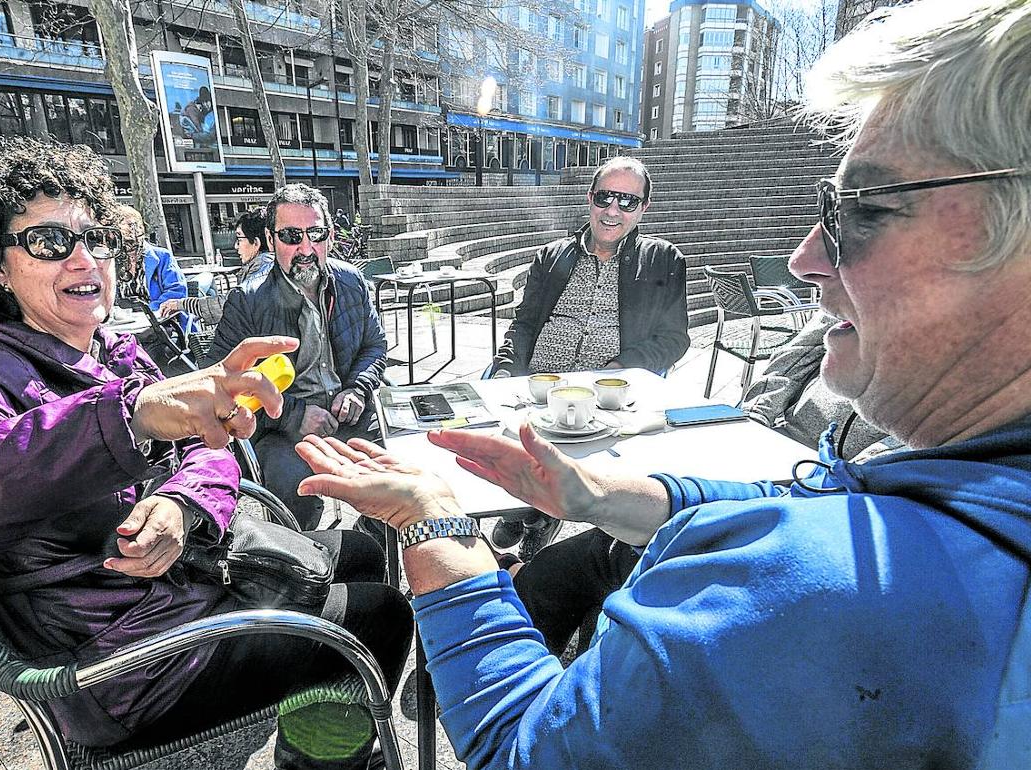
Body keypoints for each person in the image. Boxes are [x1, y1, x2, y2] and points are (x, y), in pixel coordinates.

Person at [293, 1, 1031, 767]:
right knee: (559, 565)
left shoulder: (803, 585)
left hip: (603, 401)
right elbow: (833, 497)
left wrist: (434, 519)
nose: (807, 257)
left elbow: (526, 751)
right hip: (543, 402)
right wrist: (598, 493)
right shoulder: (552, 259)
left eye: (862, 210)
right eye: (823, 207)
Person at [0, 137, 411, 769]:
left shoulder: (108, 349)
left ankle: (315, 714)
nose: (83, 258)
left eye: (95, 237)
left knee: (367, 550)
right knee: (381, 616)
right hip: (128, 664)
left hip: (193, 588)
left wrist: (183, 503)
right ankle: (321, 759)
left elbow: (208, 448)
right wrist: (127, 418)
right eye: (50, 242)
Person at [487, 156, 690, 551]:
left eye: (628, 201)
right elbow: (525, 323)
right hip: (540, 380)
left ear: (643, 208)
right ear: (590, 199)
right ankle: (527, 510)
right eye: (605, 198)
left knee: (568, 445)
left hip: (602, 390)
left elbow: (673, 340)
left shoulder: (664, 260)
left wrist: (619, 368)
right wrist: (507, 368)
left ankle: (542, 513)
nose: (613, 211)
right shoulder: (552, 256)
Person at [200, 183, 388, 531]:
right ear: (271, 242)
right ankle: (304, 570)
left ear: (330, 236)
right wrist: (293, 415)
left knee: (397, 478)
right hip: (281, 428)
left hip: (349, 413)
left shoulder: (353, 283)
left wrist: (358, 390)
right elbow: (218, 385)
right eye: (291, 235)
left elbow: (375, 346)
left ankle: (369, 543)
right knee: (292, 496)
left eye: (315, 233)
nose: (306, 248)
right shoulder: (248, 300)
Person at [741, 309, 895, 460]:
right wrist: (756, 414)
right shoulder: (857, 291)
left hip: (863, 472)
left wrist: (873, 464)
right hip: (786, 436)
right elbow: (798, 351)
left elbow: (918, 435)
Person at [232, 206, 274, 285]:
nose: (236, 246)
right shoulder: (272, 265)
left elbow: (246, 297)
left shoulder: (259, 273)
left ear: (256, 243)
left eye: (239, 239)